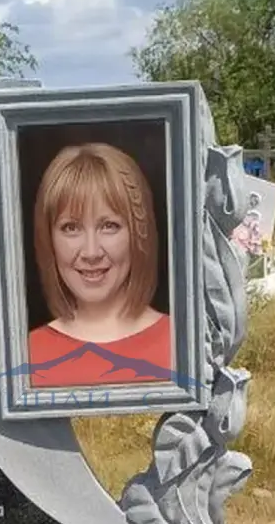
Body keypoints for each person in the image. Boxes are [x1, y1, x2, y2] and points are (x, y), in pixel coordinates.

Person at [27, 142, 172, 388]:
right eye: (71, 228)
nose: (91, 252)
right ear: (48, 240)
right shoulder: (26, 355)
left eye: (109, 226)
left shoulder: (184, 345)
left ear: (138, 234)